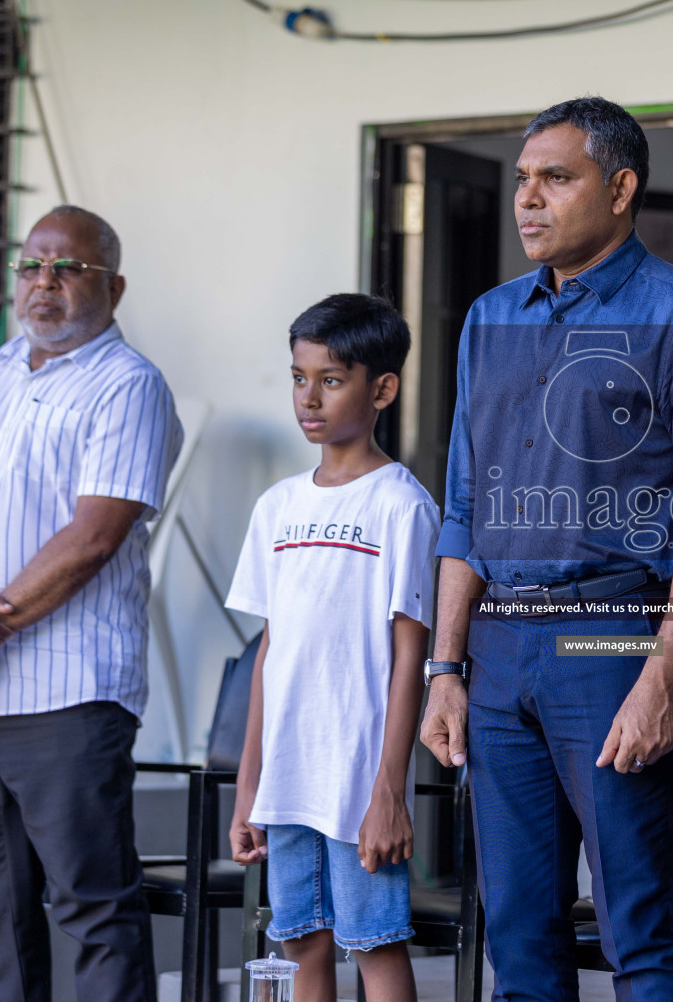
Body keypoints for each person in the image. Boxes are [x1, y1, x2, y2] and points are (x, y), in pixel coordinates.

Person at [418, 96, 673, 1001]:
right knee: (519, 932)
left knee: (639, 922)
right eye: (523, 179)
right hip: (497, 648)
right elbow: (465, 510)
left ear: (620, 187)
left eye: (555, 178)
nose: (528, 198)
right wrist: (444, 668)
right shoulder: (490, 318)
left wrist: (660, 679)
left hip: (610, 637)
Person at [0, 205, 181, 1002]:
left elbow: (92, 538)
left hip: (67, 693)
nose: (44, 284)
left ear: (114, 287)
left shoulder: (128, 386)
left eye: (69, 268)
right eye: (32, 266)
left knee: (92, 911)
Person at [227, 294, 435, 1002]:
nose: (309, 398)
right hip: (287, 780)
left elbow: (412, 657)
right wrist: (248, 785)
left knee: (375, 946)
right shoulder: (278, 507)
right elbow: (269, 655)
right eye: (297, 377)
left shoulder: (401, 505)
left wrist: (389, 792)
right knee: (300, 942)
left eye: (331, 379)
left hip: (357, 784)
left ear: (381, 389)